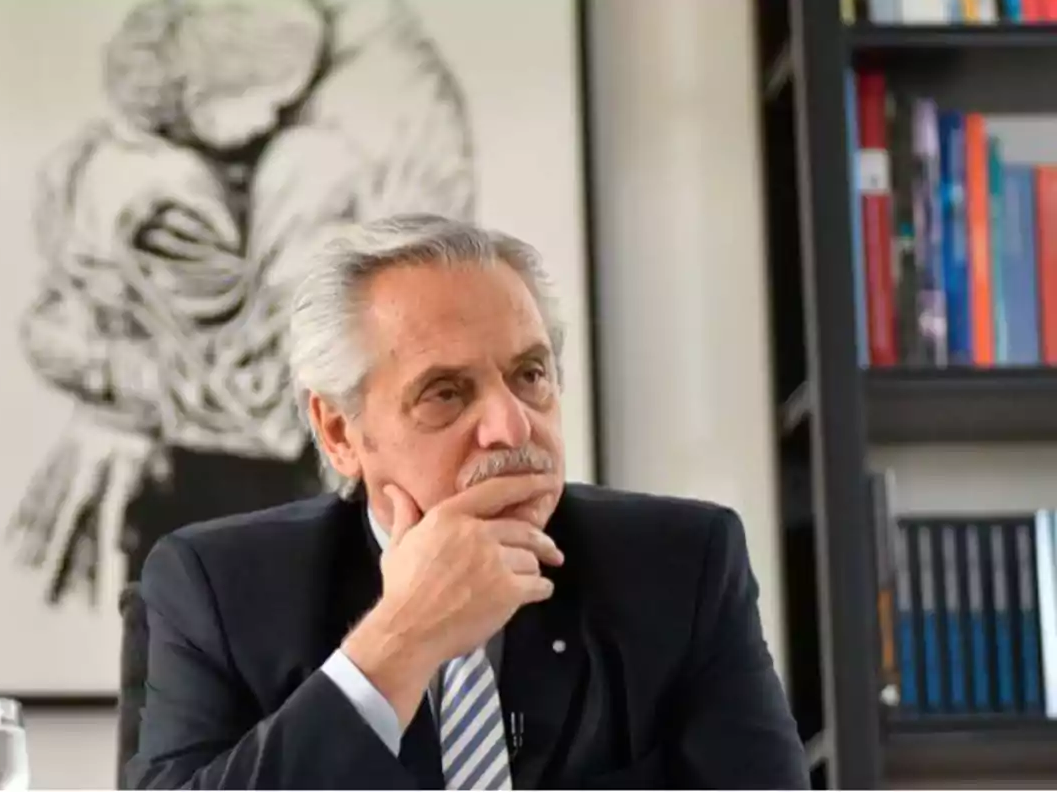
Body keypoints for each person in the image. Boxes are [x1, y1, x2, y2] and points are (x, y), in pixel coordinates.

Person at [126, 214, 810, 789]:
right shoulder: (215, 589)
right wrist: (400, 640)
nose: (512, 427)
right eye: (446, 392)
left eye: (530, 375)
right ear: (340, 433)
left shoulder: (679, 568)